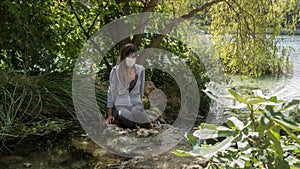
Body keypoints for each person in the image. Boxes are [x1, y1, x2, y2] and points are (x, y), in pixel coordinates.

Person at [106, 43, 153, 129]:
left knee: (139, 114)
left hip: (135, 104)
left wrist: (139, 109)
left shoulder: (141, 69)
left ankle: (150, 128)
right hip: (120, 105)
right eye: (129, 57)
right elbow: (110, 93)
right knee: (127, 117)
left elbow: (141, 91)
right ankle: (134, 125)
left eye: (133, 57)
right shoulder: (115, 71)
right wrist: (109, 115)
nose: (131, 60)